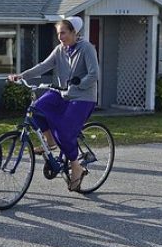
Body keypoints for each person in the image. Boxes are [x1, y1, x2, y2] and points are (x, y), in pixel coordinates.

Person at [8, 16, 99, 191]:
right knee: (36, 109)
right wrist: (22, 75)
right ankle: (50, 142)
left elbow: (94, 74)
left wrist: (78, 84)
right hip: (62, 92)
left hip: (83, 97)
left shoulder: (87, 48)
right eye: (59, 33)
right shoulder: (60, 49)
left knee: (64, 132)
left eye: (64, 33)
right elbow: (43, 66)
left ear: (74, 32)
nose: (61, 37)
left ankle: (76, 166)